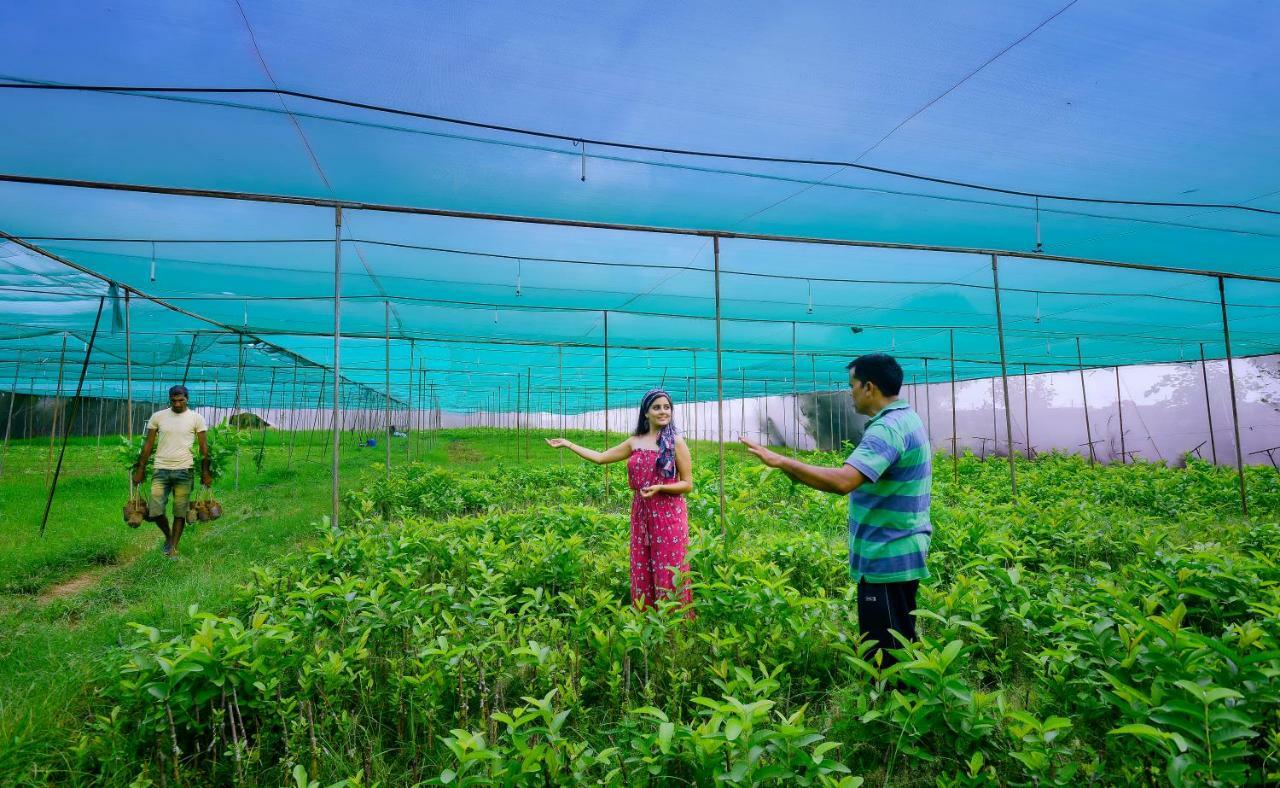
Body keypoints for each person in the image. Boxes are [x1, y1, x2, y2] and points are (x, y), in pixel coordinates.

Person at [740, 353, 931, 667]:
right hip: (902, 551)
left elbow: (844, 481)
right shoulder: (907, 418)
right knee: (899, 642)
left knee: (884, 657)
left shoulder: (886, 430)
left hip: (886, 557)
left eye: (852, 385)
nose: (850, 392)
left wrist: (782, 461)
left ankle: (890, 710)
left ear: (869, 387)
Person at [546, 389, 694, 611]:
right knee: (643, 563)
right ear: (646, 413)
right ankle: (646, 617)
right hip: (642, 512)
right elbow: (601, 458)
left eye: (667, 407)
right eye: (657, 407)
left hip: (669, 513)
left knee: (669, 566)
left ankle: (673, 624)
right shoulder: (635, 442)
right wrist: (569, 444)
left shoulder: (676, 442)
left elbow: (688, 484)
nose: (663, 411)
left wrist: (661, 487)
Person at [132, 385, 212, 558]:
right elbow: (148, 445)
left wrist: (205, 472)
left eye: (180, 400)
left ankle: (173, 547)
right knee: (155, 510)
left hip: (185, 470)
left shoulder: (196, 418)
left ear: (187, 398)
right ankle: (168, 537)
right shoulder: (158, 417)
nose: (177, 404)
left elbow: (204, 447)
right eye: (173, 400)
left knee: (180, 511)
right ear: (169, 400)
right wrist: (140, 468)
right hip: (161, 469)